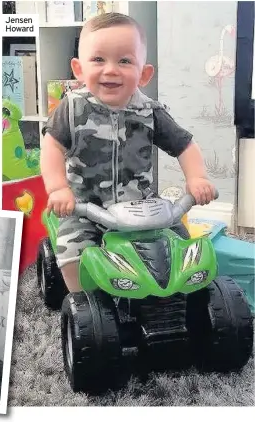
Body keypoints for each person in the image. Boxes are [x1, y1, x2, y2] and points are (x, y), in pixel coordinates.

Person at [40, 13, 217, 293]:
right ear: (78, 69)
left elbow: (186, 146)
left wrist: (197, 178)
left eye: (124, 61)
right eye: (98, 60)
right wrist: (59, 188)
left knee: (180, 246)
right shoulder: (72, 109)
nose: (111, 70)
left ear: (144, 73)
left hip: (145, 210)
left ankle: (180, 300)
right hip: (87, 209)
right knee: (72, 249)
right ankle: (84, 301)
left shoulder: (151, 112)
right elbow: (51, 148)